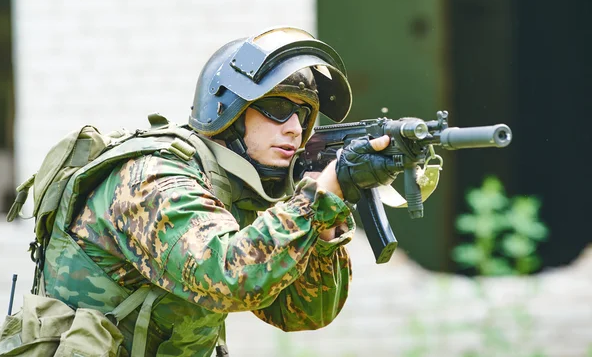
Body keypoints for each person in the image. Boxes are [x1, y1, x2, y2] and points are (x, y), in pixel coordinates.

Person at [41, 27, 399, 356]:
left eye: (304, 115)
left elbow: (303, 312)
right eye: (278, 108)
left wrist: (324, 223)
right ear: (229, 110)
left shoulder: (237, 190)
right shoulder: (154, 179)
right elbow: (227, 274)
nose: (294, 128)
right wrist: (317, 198)